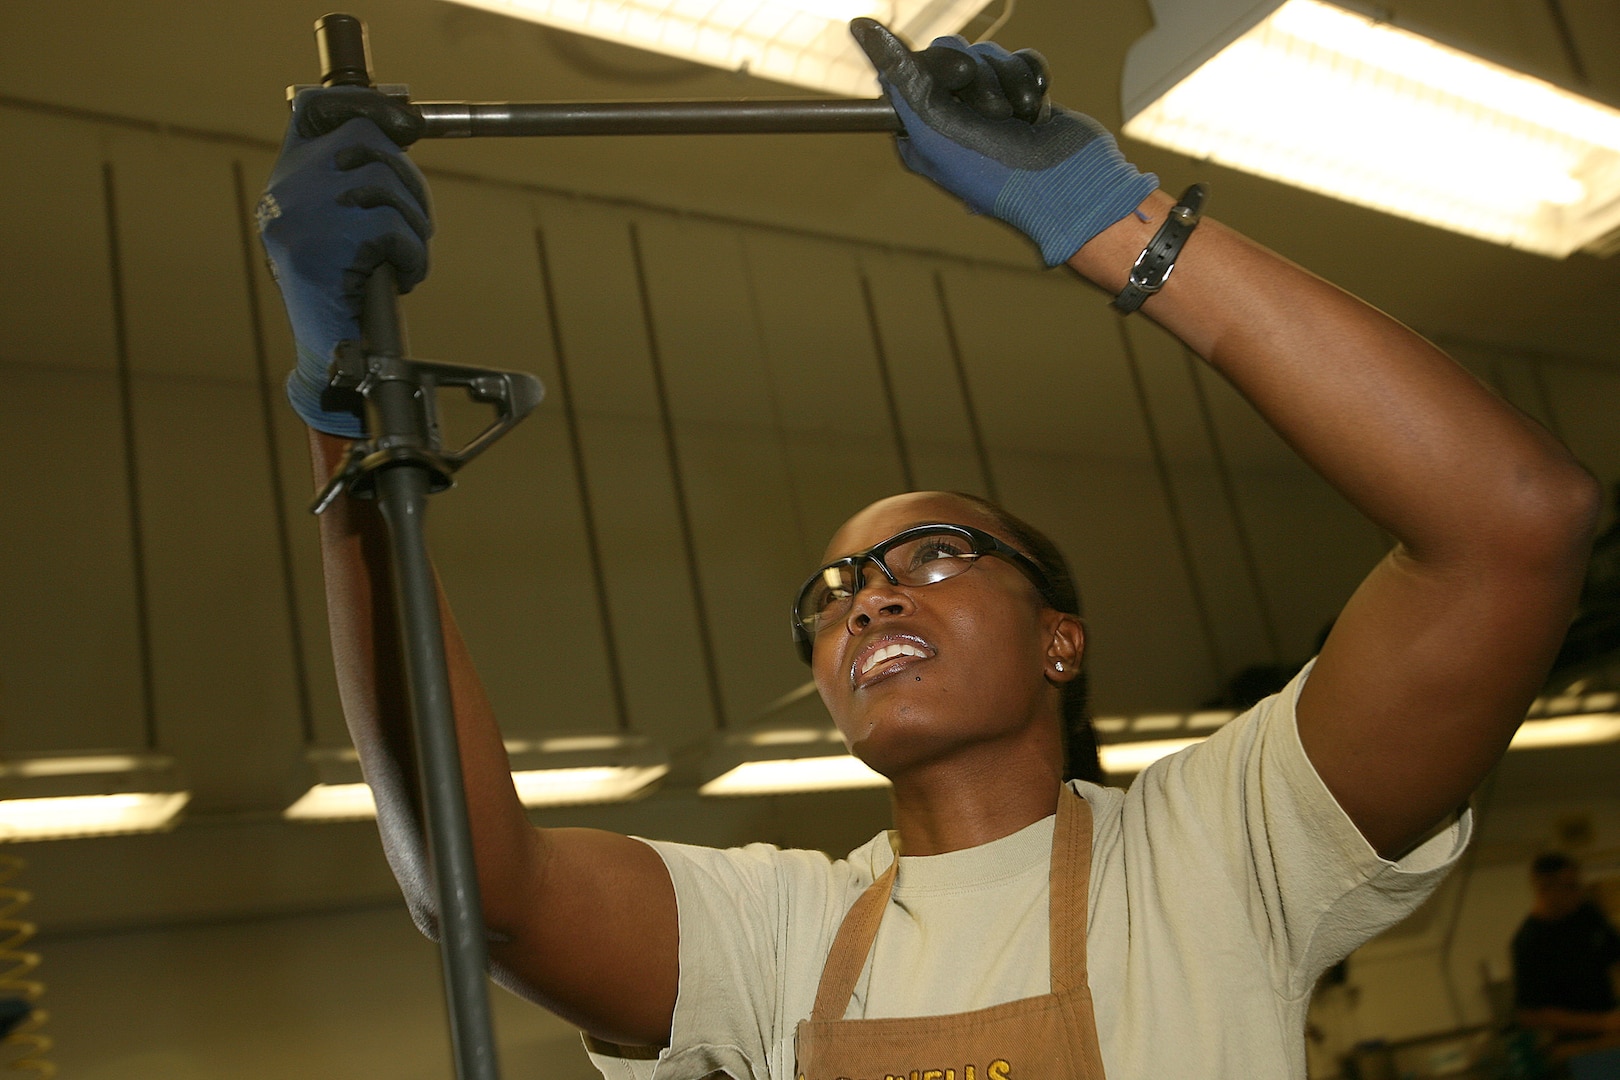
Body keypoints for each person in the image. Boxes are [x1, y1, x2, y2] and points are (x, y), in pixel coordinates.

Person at [257, 19, 1601, 1080]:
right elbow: (481, 892)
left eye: (936, 553)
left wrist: (1107, 218)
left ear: (1062, 640)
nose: (868, 594)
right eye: (833, 590)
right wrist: (345, 419)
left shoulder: (1221, 849)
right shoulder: (776, 938)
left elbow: (1511, 523)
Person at [1513, 853, 1620, 1054]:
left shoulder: (1587, 915)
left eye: (1577, 885)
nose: (1578, 893)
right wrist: (1602, 1023)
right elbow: (1531, 1014)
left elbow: (1615, 954)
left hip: (1611, 1034)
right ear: (1543, 888)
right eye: (1570, 886)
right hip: (1574, 1045)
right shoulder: (1529, 942)